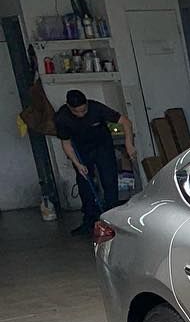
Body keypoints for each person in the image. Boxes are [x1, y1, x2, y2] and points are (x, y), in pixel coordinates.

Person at [54, 90, 135, 236]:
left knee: (109, 181)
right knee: (85, 184)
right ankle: (89, 221)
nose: (81, 114)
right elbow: (66, 143)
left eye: (84, 110)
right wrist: (77, 164)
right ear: (69, 107)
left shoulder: (96, 108)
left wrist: (129, 143)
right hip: (82, 151)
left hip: (103, 147)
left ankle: (112, 220)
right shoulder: (62, 117)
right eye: (77, 112)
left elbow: (125, 122)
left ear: (87, 103)